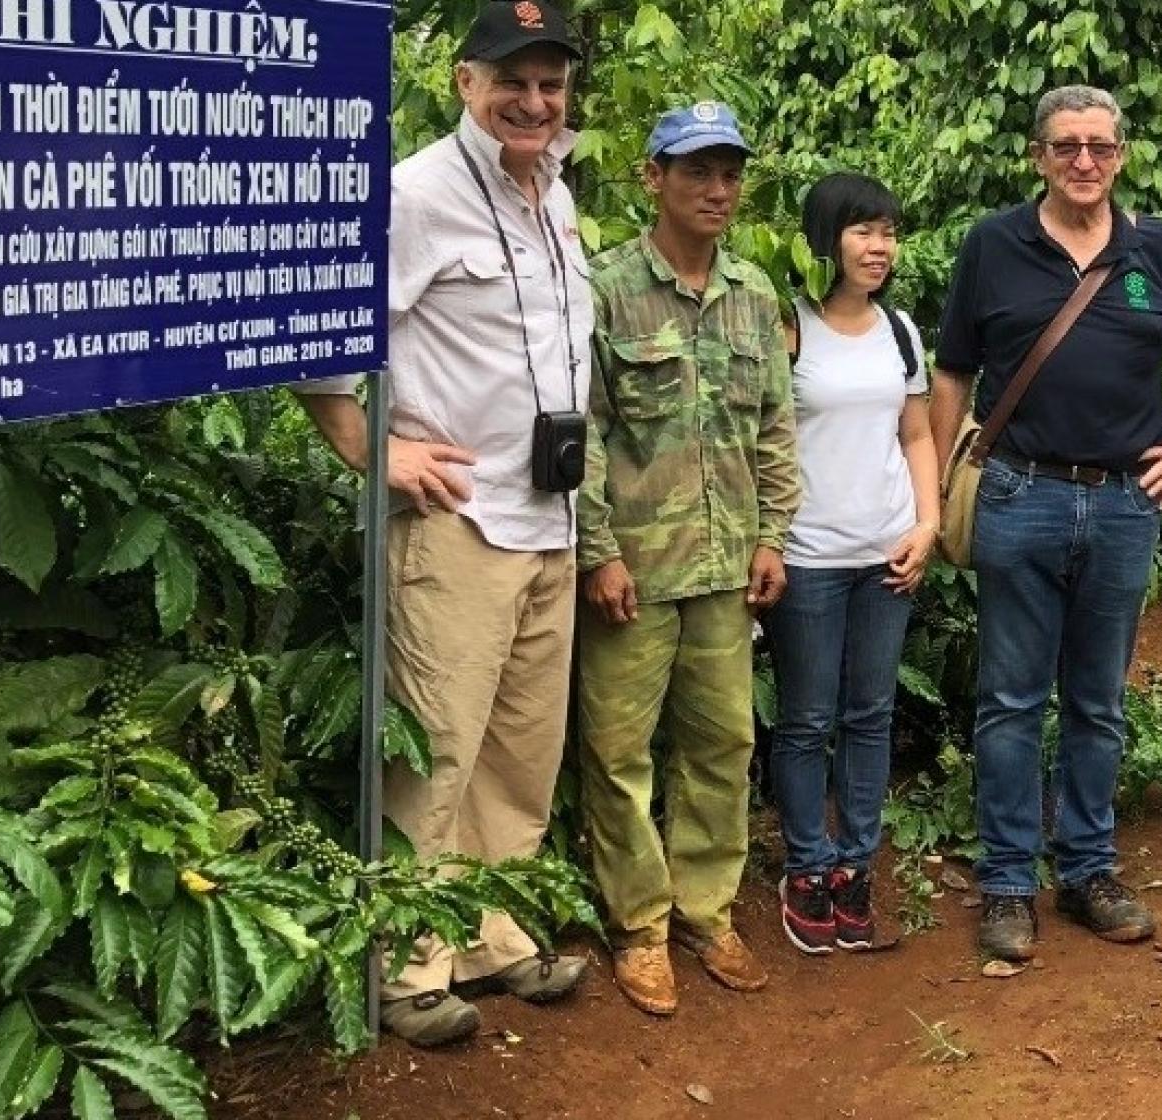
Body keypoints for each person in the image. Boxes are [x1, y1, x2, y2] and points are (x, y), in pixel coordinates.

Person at [289, 0, 592, 1047]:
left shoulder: (555, 192)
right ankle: (404, 961)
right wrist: (374, 448)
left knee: (518, 751)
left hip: (549, 513)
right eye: (513, 79)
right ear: (465, 81)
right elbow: (326, 328)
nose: (534, 100)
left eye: (551, 83)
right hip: (456, 519)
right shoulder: (415, 193)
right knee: (439, 749)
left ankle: (490, 931)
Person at [930, 85, 1162, 962]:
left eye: (1100, 146)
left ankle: (1090, 870)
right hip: (1020, 496)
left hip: (1126, 501)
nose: (1085, 162)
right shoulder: (994, 245)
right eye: (1066, 147)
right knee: (1012, 701)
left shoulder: (1160, 249)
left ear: (1123, 154)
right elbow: (952, 374)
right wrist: (933, 495)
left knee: (1098, 701)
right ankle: (1009, 885)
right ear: (1037, 157)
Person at [576, 101, 796, 1015]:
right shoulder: (603, 289)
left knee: (722, 745)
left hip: (724, 569)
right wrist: (597, 550)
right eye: (696, 170)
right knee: (619, 752)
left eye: (729, 172)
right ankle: (641, 928)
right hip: (634, 568)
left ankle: (707, 912)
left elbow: (775, 428)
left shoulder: (754, 294)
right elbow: (580, 429)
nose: (716, 189)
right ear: (652, 177)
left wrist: (772, 533)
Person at [768, 172, 940, 955]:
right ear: (826, 238)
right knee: (805, 720)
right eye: (864, 231)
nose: (881, 247)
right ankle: (806, 866)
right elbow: (762, 439)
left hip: (886, 553)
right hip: (806, 556)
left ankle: (854, 867)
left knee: (870, 716)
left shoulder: (900, 330)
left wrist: (927, 524)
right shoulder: (787, 327)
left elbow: (916, 436)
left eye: (890, 232)